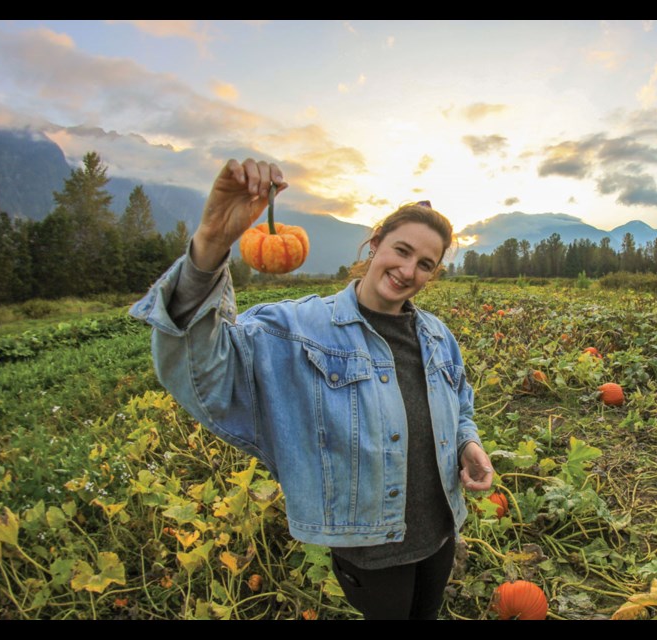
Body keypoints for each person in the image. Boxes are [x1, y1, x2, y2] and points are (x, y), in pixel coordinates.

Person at [130, 158, 494, 619]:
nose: (408, 270)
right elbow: (205, 372)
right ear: (375, 243)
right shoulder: (298, 328)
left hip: (441, 530)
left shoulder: (437, 334)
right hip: (372, 548)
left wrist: (468, 443)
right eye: (401, 251)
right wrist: (210, 246)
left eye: (425, 264)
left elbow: (460, 402)